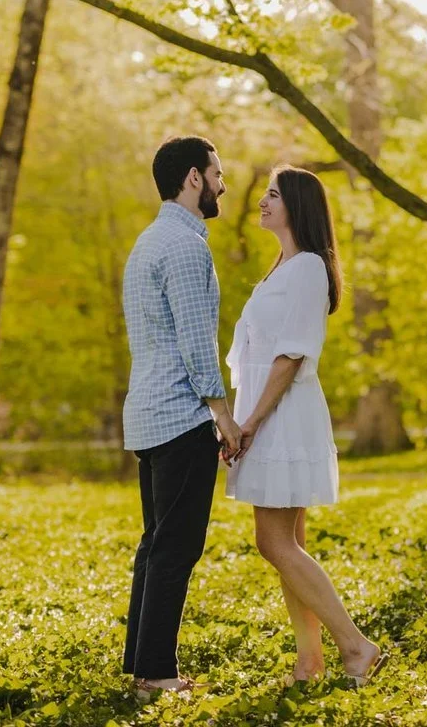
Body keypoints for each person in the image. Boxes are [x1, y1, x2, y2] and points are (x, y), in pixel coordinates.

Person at [225, 165, 386, 687]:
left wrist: (247, 423)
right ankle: (309, 660)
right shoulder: (283, 268)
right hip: (267, 414)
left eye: (273, 194)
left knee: (274, 543)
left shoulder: (309, 268)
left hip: (282, 417)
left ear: (297, 204)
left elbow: (290, 355)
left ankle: (356, 645)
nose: (262, 201)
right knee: (287, 541)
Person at [120, 136, 243, 700]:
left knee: (156, 543)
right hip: (178, 416)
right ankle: (157, 676)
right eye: (218, 174)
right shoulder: (187, 249)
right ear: (194, 177)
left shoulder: (148, 242)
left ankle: (142, 664)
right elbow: (197, 346)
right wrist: (225, 417)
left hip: (147, 414)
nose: (223, 184)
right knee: (175, 547)